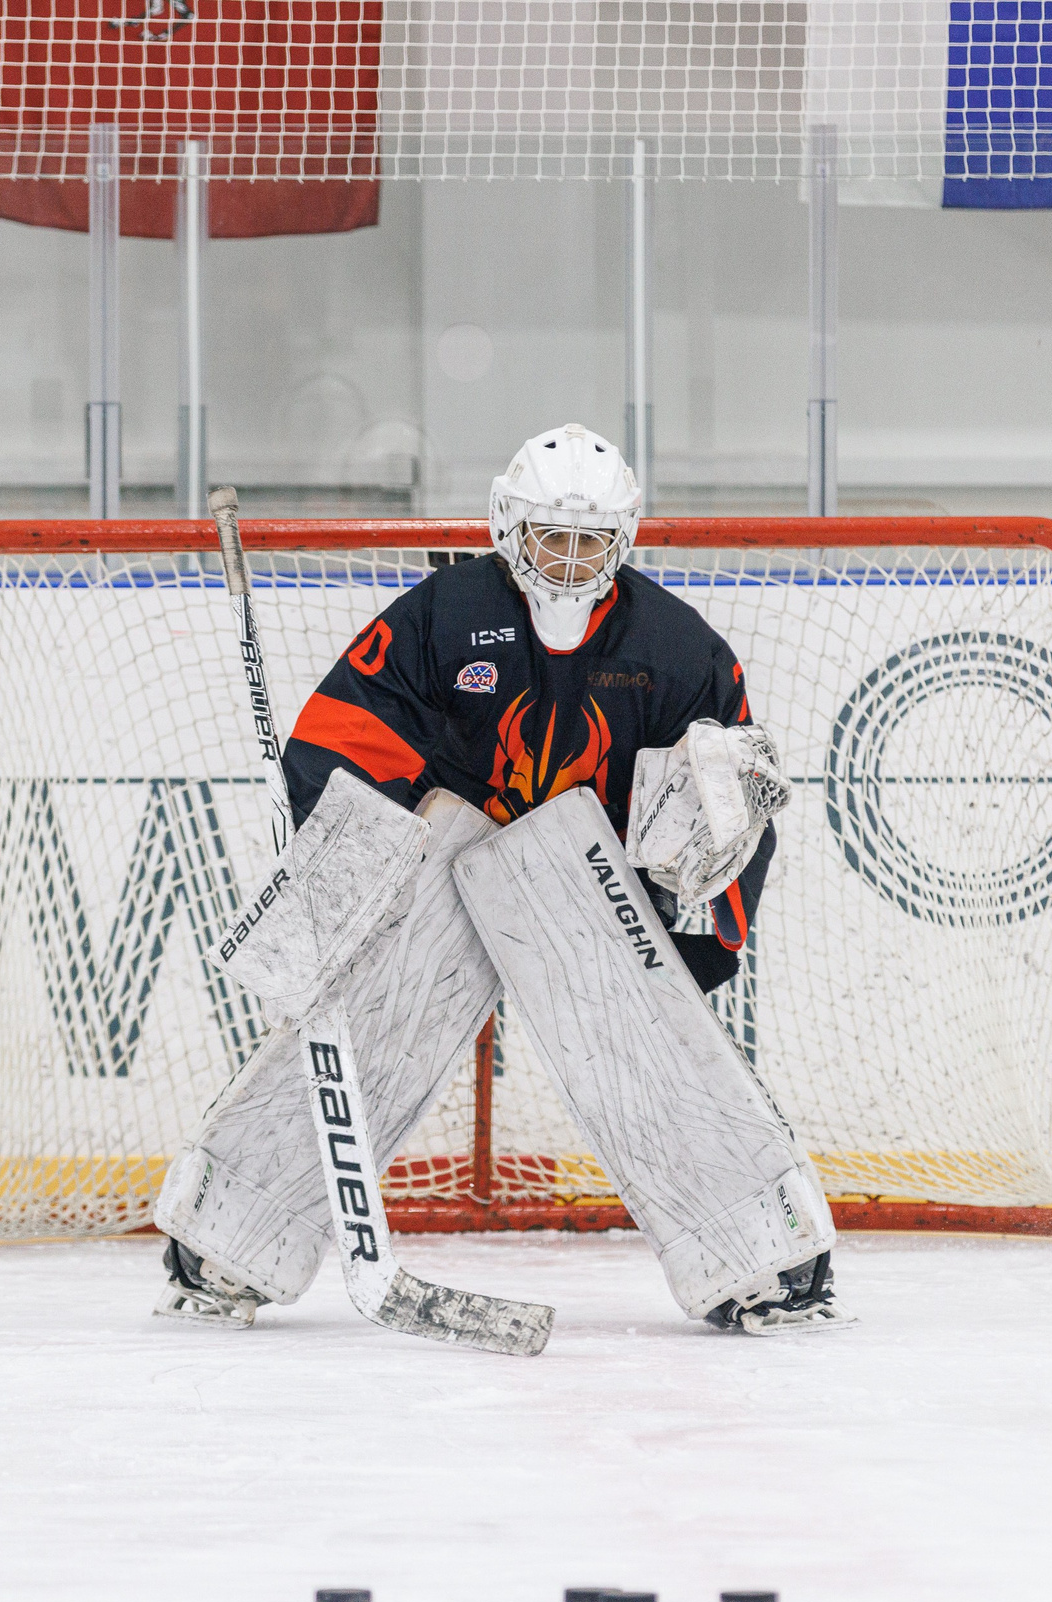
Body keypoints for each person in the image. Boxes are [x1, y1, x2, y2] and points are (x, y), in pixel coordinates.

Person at [156, 424, 844, 1334]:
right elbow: (350, 736)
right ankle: (223, 1238)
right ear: (507, 527)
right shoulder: (444, 613)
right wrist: (343, 886)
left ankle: (766, 1254)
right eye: (548, 537)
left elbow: (728, 805)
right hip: (446, 856)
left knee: (644, 1050)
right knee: (373, 1028)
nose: (565, 559)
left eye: (588, 540)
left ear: (622, 541)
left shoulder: (680, 649)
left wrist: (692, 900)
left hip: (591, 886)